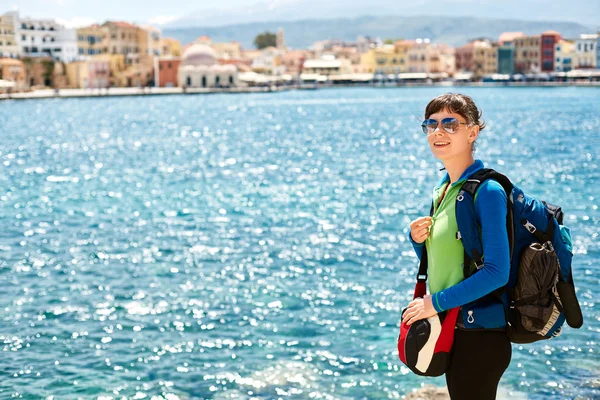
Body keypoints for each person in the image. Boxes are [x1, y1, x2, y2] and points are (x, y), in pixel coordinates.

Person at [402, 93, 512, 399]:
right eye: (432, 124)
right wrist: (417, 242)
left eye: (450, 124)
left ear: (473, 132)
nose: (438, 132)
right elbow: (447, 263)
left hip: (480, 335)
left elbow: (496, 272)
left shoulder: (487, 191)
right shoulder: (443, 189)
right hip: (453, 328)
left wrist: (432, 303)